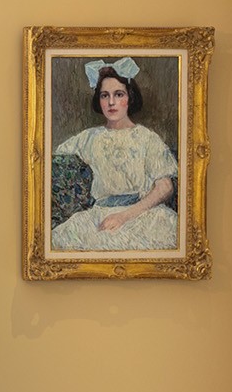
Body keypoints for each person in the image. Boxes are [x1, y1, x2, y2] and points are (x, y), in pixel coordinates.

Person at [50, 57, 180, 253]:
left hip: (141, 216)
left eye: (118, 94)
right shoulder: (89, 138)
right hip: (98, 216)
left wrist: (124, 216)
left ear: (130, 97)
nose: (111, 102)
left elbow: (165, 187)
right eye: (104, 95)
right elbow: (51, 159)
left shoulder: (146, 138)